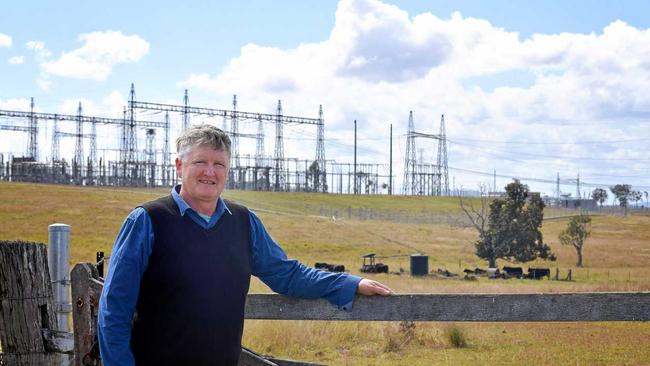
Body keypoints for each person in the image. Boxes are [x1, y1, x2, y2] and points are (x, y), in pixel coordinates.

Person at [98, 124, 393, 366]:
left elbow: (287, 275)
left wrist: (350, 282)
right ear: (179, 166)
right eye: (200, 162)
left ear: (228, 171)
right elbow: (114, 310)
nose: (209, 172)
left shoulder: (242, 222)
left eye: (219, 164)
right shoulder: (148, 221)